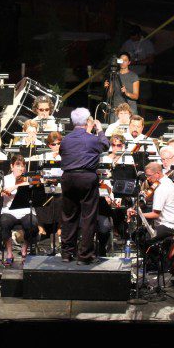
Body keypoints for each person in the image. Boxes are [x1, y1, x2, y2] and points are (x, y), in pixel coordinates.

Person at [59, 107, 109, 264]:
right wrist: (100, 130)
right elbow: (105, 145)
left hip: (68, 177)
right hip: (86, 177)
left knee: (68, 216)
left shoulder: (65, 139)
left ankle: (67, 253)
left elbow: (62, 153)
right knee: (88, 216)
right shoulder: (92, 139)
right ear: (89, 121)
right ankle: (84, 255)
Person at [127, 162, 174, 244]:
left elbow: (156, 214)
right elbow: (150, 198)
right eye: (146, 176)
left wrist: (137, 214)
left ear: (158, 173)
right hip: (168, 223)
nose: (148, 179)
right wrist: (144, 197)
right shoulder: (166, 181)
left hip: (168, 226)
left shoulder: (162, 188)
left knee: (139, 236)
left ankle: (150, 256)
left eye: (149, 175)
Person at [0, 155, 39, 265]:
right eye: (18, 165)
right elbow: (0, 194)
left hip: (26, 210)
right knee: (4, 223)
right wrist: (2, 193)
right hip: (9, 210)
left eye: (23, 166)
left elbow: (35, 182)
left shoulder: (28, 178)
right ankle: (9, 253)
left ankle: (24, 249)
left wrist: (15, 187)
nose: (21, 168)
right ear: (12, 167)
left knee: (31, 223)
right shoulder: (5, 179)